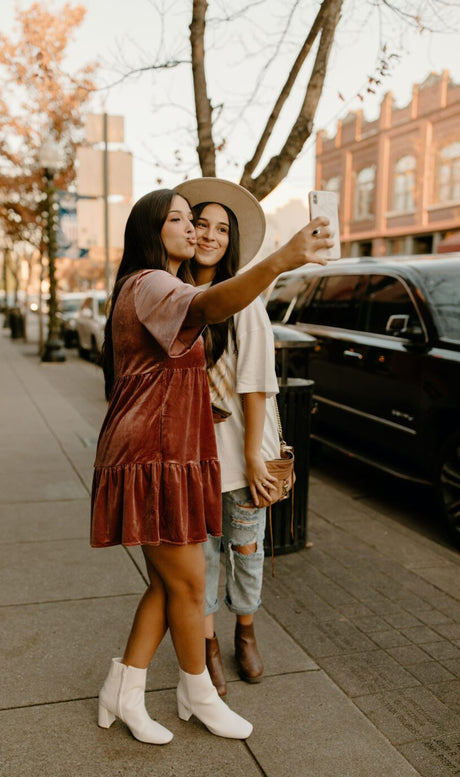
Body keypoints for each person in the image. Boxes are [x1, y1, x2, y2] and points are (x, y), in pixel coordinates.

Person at [91, 186, 332, 745]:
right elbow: (209, 307)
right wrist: (284, 258)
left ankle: (122, 692)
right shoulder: (153, 283)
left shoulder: (156, 284)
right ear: (155, 231)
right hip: (153, 455)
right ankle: (196, 693)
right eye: (179, 219)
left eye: (194, 220)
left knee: (165, 584)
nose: (193, 229)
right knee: (192, 582)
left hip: (162, 452)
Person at [177, 178, 279, 696]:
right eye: (202, 224)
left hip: (238, 459)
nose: (211, 235)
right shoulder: (170, 295)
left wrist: (253, 457)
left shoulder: (246, 302)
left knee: (245, 549)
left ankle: (246, 630)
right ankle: (209, 644)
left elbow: (256, 385)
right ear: (186, 230)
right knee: (201, 557)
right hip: (187, 460)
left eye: (222, 228)